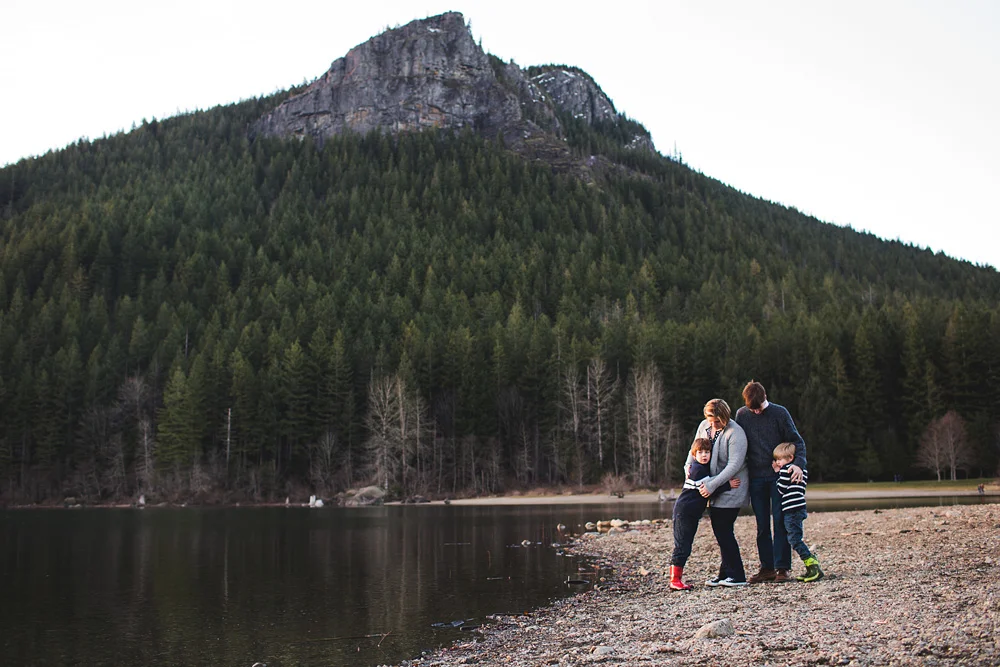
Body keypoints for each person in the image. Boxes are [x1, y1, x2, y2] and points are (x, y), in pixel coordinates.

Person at [735, 381, 806, 584]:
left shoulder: (780, 413)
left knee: (780, 522)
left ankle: (782, 568)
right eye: (752, 409)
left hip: (778, 477)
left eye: (759, 407)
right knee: (762, 525)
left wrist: (798, 464)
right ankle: (766, 568)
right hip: (756, 478)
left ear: (765, 397)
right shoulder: (742, 415)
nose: (756, 412)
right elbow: (738, 446)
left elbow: (797, 442)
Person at [688, 398, 750, 587]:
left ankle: (737, 575)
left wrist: (712, 485)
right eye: (711, 420)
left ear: (725, 416)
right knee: (721, 531)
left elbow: (734, 465)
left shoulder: (735, 433)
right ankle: (725, 573)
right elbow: (694, 451)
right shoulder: (704, 427)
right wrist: (688, 471)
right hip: (712, 488)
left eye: (718, 421)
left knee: (723, 530)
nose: (714, 424)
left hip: (731, 487)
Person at [668, 438, 715, 590]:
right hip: (684, 512)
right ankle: (674, 580)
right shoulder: (698, 470)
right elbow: (709, 488)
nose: (704, 455)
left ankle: (677, 579)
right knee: (682, 546)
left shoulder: (700, 467)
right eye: (700, 453)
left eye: (707, 452)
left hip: (691, 513)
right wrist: (728, 484)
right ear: (694, 455)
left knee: (685, 544)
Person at [773, 442, 823, 582]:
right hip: (800, 508)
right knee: (796, 537)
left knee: (794, 539)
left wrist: (777, 473)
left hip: (791, 509)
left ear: (790, 458)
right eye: (776, 460)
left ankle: (812, 564)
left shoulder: (784, 471)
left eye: (779, 459)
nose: (777, 462)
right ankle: (810, 566)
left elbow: (781, 489)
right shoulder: (802, 471)